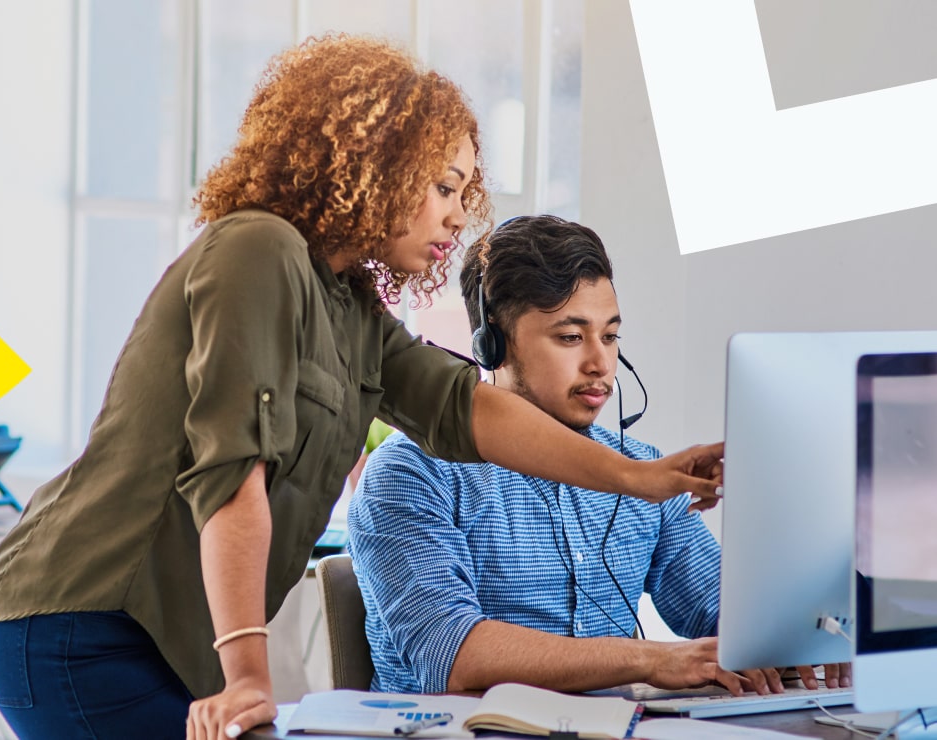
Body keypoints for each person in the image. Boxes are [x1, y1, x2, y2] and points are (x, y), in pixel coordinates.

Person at [0, 37, 724, 740]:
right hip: (81, 621)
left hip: (156, 631)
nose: (458, 216)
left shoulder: (351, 303)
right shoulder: (258, 249)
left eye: (464, 193)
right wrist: (249, 679)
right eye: (442, 186)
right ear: (375, 165)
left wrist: (641, 478)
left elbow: (465, 406)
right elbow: (232, 475)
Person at [348, 215, 851, 697]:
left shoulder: (641, 469)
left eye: (610, 336)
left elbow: (722, 615)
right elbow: (452, 657)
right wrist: (651, 660)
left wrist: (807, 627)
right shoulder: (412, 473)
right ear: (493, 344)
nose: (600, 363)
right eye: (570, 337)